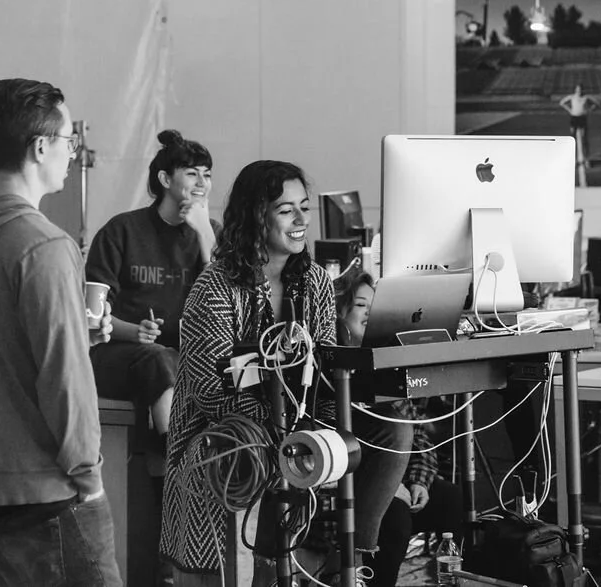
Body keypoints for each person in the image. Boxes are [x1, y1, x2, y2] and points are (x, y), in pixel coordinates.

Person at [0, 78, 122, 586]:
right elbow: (63, 379)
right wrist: (89, 477)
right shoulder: (42, 245)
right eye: (68, 142)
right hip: (43, 495)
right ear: (40, 147)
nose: (70, 153)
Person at [160, 160, 337, 586]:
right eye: (285, 210)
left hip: (295, 429)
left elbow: (328, 369)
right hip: (222, 442)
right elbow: (211, 394)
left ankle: (349, 556)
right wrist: (282, 422)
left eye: (304, 208)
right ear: (257, 217)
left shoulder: (316, 283)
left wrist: (321, 422)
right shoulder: (215, 287)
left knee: (392, 433)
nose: (300, 221)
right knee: (250, 450)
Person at [85, 129, 218, 441]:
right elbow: (92, 316)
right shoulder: (122, 231)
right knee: (160, 358)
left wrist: (204, 237)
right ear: (165, 179)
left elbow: (223, 304)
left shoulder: (211, 233)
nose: (202, 183)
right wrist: (135, 331)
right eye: (192, 173)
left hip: (186, 354)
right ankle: (174, 452)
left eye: (207, 174)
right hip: (118, 355)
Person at [331, 270, 416, 582]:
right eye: (361, 306)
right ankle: (358, 561)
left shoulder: (389, 355)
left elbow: (419, 430)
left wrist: (417, 480)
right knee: (397, 519)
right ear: (340, 311)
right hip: (358, 474)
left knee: (452, 501)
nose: (370, 314)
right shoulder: (330, 364)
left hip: (396, 478)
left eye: (375, 307)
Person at [558, 84, 601, 173]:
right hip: (574, 119)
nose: (579, 91)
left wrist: (589, 110)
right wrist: (569, 110)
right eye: (577, 89)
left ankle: (586, 160)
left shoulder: (586, 97)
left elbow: (597, 103)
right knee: (572, 140)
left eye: (581, 89)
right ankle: (573, 160)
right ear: (575, 90)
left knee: (584, 139)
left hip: (582, 119)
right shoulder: (572, 97)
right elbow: (562, 103)